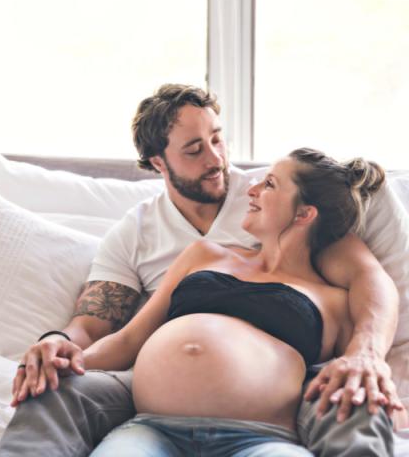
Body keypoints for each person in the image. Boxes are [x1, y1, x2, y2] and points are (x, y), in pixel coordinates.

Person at [0, 85, 401, 457]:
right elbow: (108, 330)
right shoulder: (172, 244)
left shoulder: (290, 224)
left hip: (262, 427)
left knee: (357, 402)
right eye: (194, 150)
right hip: (151, 417)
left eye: (218, 138)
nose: (216, 159)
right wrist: (58, 348)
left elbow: (373, 282)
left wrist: (366, 354)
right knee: (53, 389)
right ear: (159, 161)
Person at [86, 147, 388, 456]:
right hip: (151, 431)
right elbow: (128, 340)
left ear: (304, 213)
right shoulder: (204, 254)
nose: (252, 190)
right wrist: (63, 357)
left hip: (260, 440)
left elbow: (355, 373)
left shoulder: (333, 300)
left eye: (269, 184)